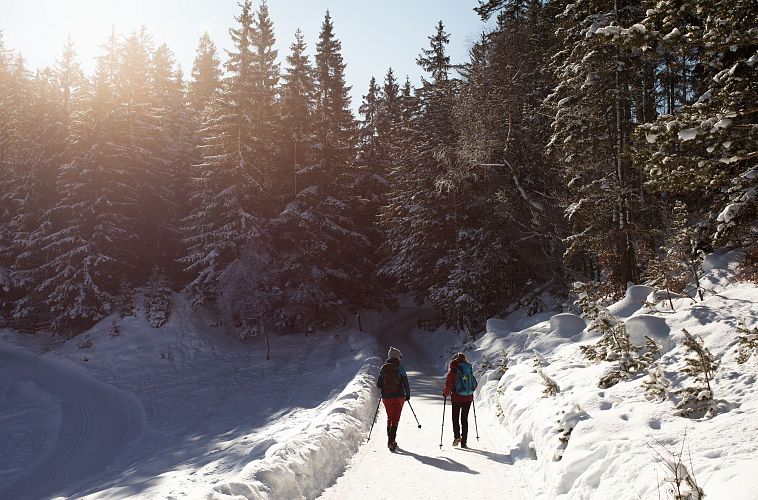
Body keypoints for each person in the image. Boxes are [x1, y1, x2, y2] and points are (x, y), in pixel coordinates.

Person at [377, 346, 410, 451]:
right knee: (396, 419)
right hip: (399, 396)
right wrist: (407, 394)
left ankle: (390, 441)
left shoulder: (383, 368)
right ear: (397, 357)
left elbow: (378, 385)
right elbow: (405, 383)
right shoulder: (400, 368)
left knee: (389, 418)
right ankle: (392, 441)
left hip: (387, 397)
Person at [443, 352, 477, 448]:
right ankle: (464, 442)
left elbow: (448, 384)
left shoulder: (453, 369)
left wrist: (446, 393)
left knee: (455, 417)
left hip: (456, 398)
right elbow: (475, 383)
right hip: (468, 397)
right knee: (464, 419)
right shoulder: (468, 368)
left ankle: (457, 436)